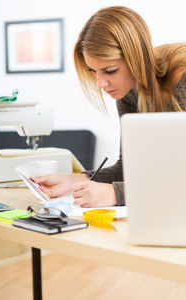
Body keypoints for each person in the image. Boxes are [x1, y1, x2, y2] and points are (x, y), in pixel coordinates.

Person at [32, 6, 186, 207]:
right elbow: (127, 168)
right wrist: (76, 180)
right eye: (93, 71)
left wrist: (117, 194)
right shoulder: (128, 92)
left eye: (110, 71)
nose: (101, 84)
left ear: (135, 58)